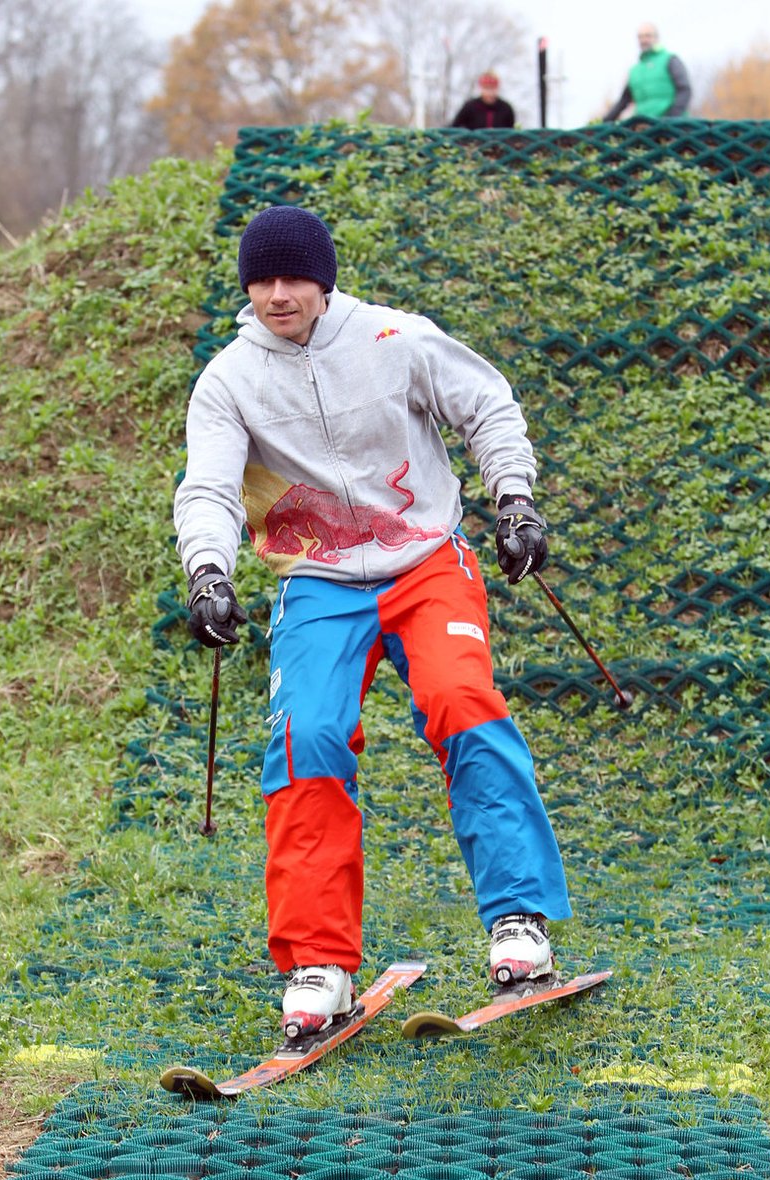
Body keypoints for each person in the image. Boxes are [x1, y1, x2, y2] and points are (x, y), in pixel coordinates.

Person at [173, 205, 571, 1040]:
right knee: (306, 736)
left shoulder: (397, 340)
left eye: (296, 278)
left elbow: (487, 405)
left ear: (324, 279)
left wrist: (516, 500)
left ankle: (520, 923)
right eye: (264, 279)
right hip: (317, 579)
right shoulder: (229, 380)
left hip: (427, 559)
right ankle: (320, 965)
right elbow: (208, 486)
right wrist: (208, 571)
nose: (280, 295)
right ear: (248, 284)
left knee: (462, 703)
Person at [604, 23, 691, 121]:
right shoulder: (635, 71)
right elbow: (624, 100)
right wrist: (605, 120)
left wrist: (672, 117)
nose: (644, 40)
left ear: (657, 38)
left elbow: (684, 89)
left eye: (648, 36)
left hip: (672, 125)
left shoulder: (670, 60)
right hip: (644, 126)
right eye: (640, 37)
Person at [451, 72, 516, 130]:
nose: (489, 92)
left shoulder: (505, 108)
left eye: (492, 88)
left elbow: (511, 131)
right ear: (481, 88)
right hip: (475, 142)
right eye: (486, 88)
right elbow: (454, 127)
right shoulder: (470, 107)